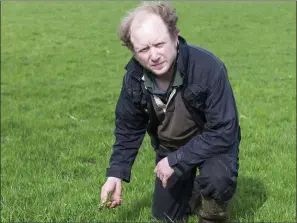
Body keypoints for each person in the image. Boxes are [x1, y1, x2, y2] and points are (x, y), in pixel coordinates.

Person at [100, 2, 241, 223]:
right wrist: (116, 173)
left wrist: (177, 161)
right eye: (144, 50)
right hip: (171, 147)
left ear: (175, 37)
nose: (153, 56)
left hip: (213, 146)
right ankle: (195, 192)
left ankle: (212, 213)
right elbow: (128, 128)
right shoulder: (134, 79)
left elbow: (224, 131)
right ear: (133, 52)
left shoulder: (208, 68)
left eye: (159, 44)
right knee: (165, 216)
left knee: (217, 179)